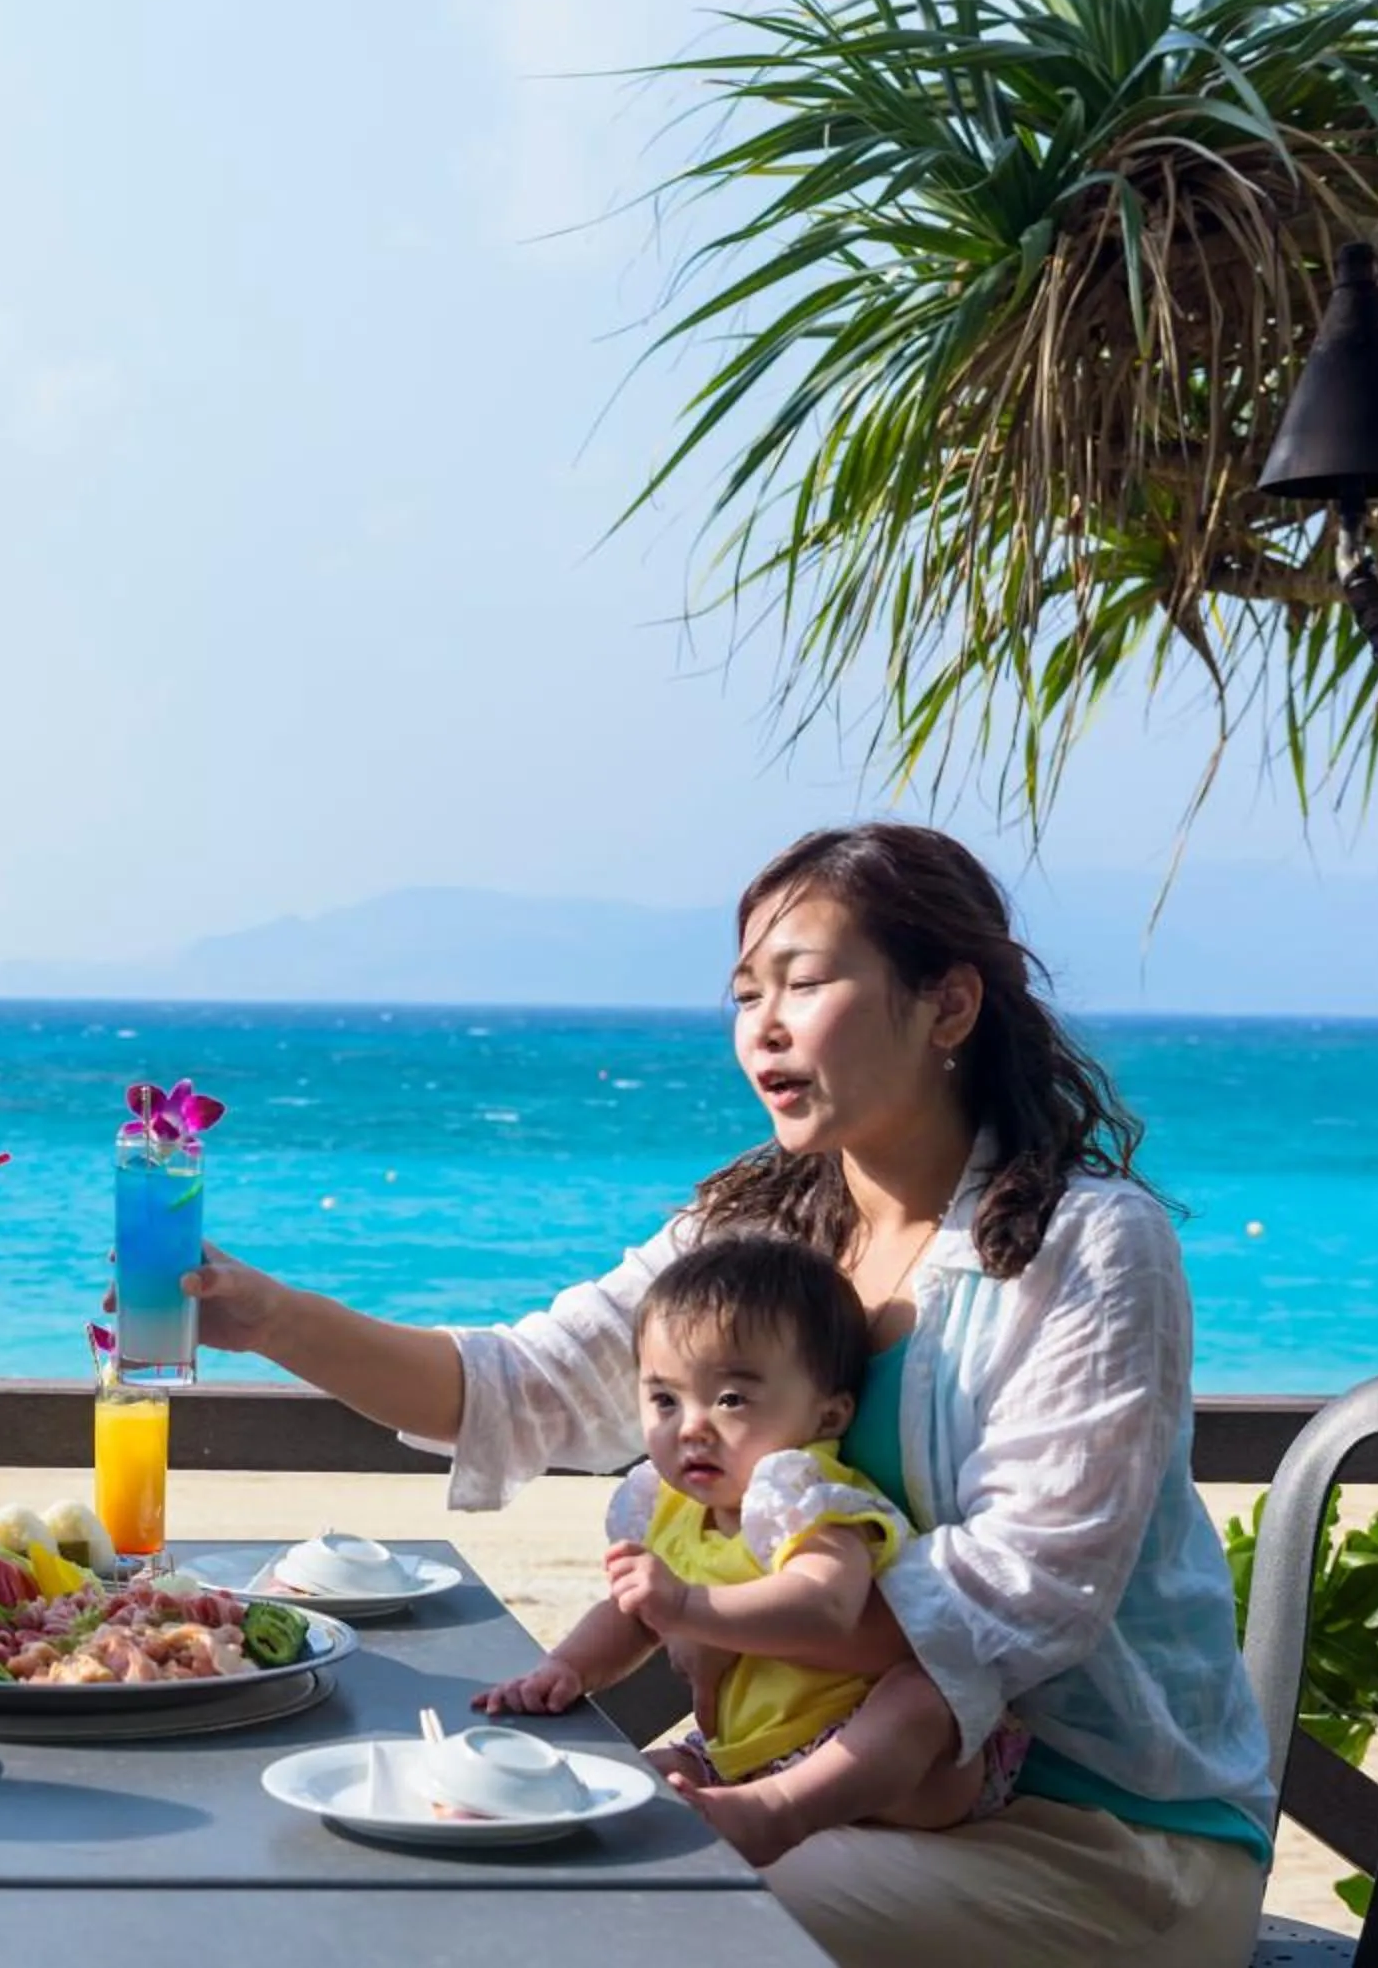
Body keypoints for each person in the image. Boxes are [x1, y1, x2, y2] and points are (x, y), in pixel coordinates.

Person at [177, 822, 1274, 1966]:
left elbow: (1025, 1590)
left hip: (1091, 1837)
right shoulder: (758, 1234)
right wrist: (270, 1317)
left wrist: (703, 1612)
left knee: (643, 1921)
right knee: (455, 1862)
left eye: (805, 981)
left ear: (949, 1005)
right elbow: (526, 1385)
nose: (764, 1024)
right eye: (747, 992)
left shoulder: (1088, 1245)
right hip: (804, 1788)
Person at [481, 1231, 1024, 1866]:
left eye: (731, 1400)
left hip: (896, 1764)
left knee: (922, 1694)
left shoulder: (807, 1496)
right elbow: (630, 1615)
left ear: (828, 1417)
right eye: (664, 1400)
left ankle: (781, 1811)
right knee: (613, 1786)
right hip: (740, 1753)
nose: (692, 1426)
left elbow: (827, 1605)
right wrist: (569, 1668)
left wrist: (689, 1607)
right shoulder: (668, 1509)